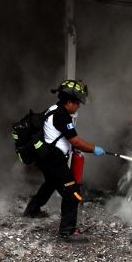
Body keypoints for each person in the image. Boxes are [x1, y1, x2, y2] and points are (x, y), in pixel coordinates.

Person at [23, 79, 107, 243]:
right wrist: (93, 148)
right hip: (53, 159)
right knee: (72, 193)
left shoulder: (53, 109)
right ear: (69, 102)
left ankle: (32, 210)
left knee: (50, 184)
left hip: (45, 157)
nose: (78, 107)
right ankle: (67, 232)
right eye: (77, 103)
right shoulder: (62, 116)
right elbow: (75, 141)